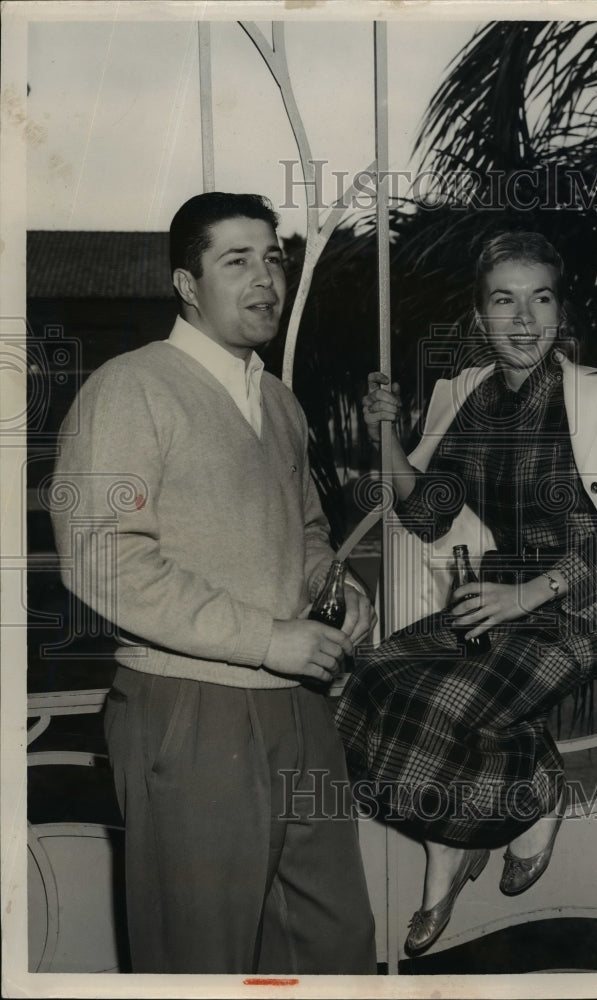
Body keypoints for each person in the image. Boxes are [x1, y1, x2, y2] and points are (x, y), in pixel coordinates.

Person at [335, 230, 597, 956]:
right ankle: (501, 813)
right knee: (370, 675)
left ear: (560, 313)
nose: (523, 319)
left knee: (444, 706)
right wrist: (386, 441)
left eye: (540, 299)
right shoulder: (471, 400)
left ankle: (453, 841)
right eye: (504, 300)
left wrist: (528, 595)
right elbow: (426, 510)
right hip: (495, 601)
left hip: (576, 610)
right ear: (478, 317)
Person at [50, 192, 377, 974]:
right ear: (187, 285)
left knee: (333, 951)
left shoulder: (277, 400)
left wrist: (335, 583)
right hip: (189, 709)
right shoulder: (131, 389)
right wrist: (269, 639)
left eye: (273, 257)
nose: (266, 277)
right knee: (202, 960)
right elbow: (101, 556)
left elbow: (303, 531)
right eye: (237, 260)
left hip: (300, 704)